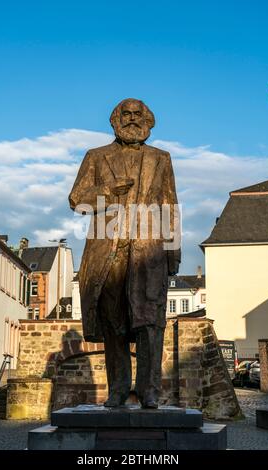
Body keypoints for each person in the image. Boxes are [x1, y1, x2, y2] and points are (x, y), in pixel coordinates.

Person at [69, 98, 181, 408]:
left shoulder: (161, 158)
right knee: (113, 321)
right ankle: (118, 388)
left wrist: (173, 252)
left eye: (137, 114)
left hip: (148, 250)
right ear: (115, 119)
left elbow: (170, 205)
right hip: (108, 250)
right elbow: (77, 199)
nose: (132, 119)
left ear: (148, 119)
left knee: (150, 322)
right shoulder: (97, 156)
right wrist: (110, 192)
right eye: (126, 114)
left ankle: (149, 390)